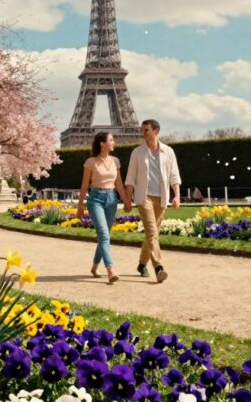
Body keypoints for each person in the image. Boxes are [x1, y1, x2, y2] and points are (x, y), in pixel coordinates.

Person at [124, 119, 181, 284]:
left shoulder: (168, 152)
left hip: (162, 198)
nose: (143, 133)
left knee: (152, 235)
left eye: (146, 130)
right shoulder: (137, 153)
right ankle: (159, 268)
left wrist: (176, 196)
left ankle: (142, 264)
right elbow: (130, 178)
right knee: (152, 232)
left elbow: (174, 175)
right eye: (142, 130)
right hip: (144, 197)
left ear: (156, 131)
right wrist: (128, 199)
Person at [76, 131, 131, 284]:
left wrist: (126, 200)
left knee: (103, 237)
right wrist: (80, 206)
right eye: (111, 140)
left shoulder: (116, 161)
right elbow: (85, 185)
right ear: (102, 143)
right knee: (104, 235)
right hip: (95, 200)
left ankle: (94, 266)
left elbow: (118, 183)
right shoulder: (90, 162)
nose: (114, 142)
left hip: (112, 199)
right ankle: (110, 269)